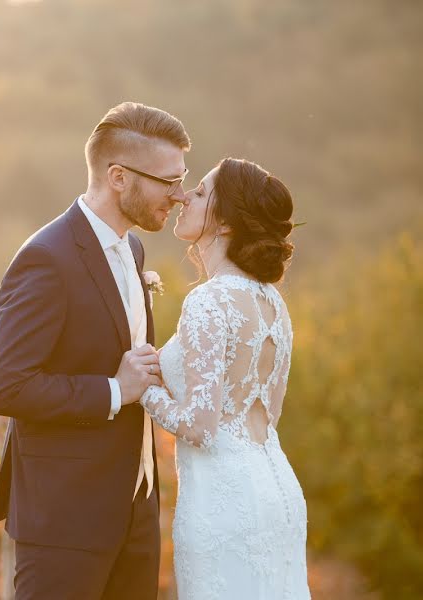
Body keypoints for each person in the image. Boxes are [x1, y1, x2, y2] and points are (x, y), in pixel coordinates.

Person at [0, 101, 189, 598]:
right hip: (65, 521)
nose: (180, 195)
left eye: (182, 180)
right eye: (167, 181)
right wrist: (115, 391)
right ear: (119, 177)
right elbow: (6, 387)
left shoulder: (134, 250)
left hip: (137, 509)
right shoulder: (46, 258)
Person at [135, 157, 311, 599]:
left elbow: (201, 427)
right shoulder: (272, 304)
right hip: (277, 490)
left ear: (228, 223)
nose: (184, 196)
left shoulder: (209, 302)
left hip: (222, 500)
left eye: (200, 192)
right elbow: (266, 416)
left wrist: (145, 389)